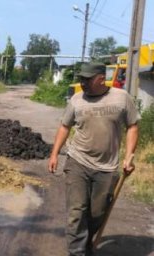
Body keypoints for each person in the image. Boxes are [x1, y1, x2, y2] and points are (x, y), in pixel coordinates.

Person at [48, 62, 140, 256]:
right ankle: (77, 252)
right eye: (81, 79)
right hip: (77, 161)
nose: (82, 83)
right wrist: (55, 154)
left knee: (97, 214)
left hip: (107, 167)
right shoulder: (76, 100)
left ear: (100, 79)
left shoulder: (121, 98)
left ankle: (86, 242)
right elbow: (65, 127)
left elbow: (132, 125)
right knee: (76, 212)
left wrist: (129, 156)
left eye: (87, 79)